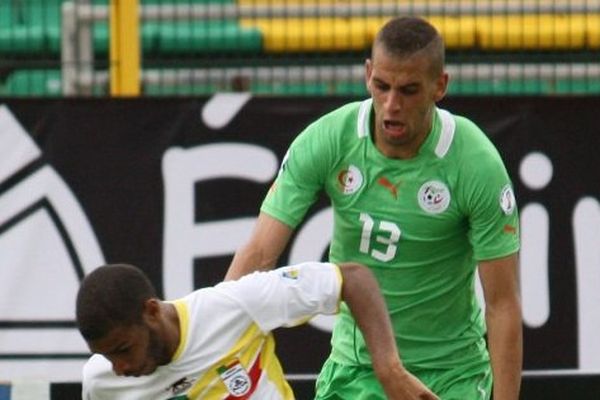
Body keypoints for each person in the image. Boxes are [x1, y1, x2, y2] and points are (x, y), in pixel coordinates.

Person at [225, 16, 522, 400]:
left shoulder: (475, 162)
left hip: (452, 376)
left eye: (409, 90)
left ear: (440, 86)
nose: (391, 105)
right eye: (381, 86)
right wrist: (210, 332)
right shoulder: (329, 139)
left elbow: (502, 305)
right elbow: (260, 252)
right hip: (357, 372)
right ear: (368, 74)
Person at [76, 261, 438, 399]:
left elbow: (353, 279)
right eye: (107, 356)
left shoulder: (233, 305)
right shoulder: (100, 382)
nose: (119, 367)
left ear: (151, 312)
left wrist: (389, 370)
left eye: (122, 349)